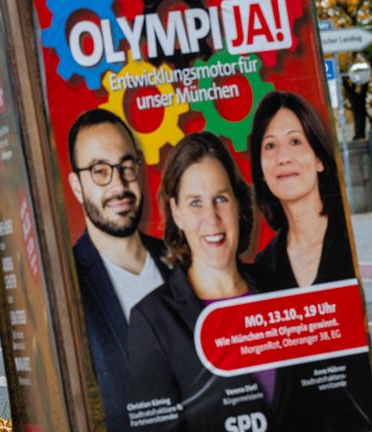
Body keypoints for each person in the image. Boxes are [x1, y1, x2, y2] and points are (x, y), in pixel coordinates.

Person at [127, 132, 272, 431]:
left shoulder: (279, 288)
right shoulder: (152, 321)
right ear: (176, 213)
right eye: (195, 202)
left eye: (221, 198)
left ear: (237, 205)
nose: (212, 217)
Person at [250, 90, 372, 430]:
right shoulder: (264, 266)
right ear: (261, 169)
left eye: (295, 141)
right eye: (270, 146)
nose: (282, 157)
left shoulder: (350, 243)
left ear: (319, 158)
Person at [67, 108, 170, 431]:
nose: (119, 184)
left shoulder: (183, 259)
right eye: (100, 171)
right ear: (77, 186)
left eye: (126, 166)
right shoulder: (66, 283)